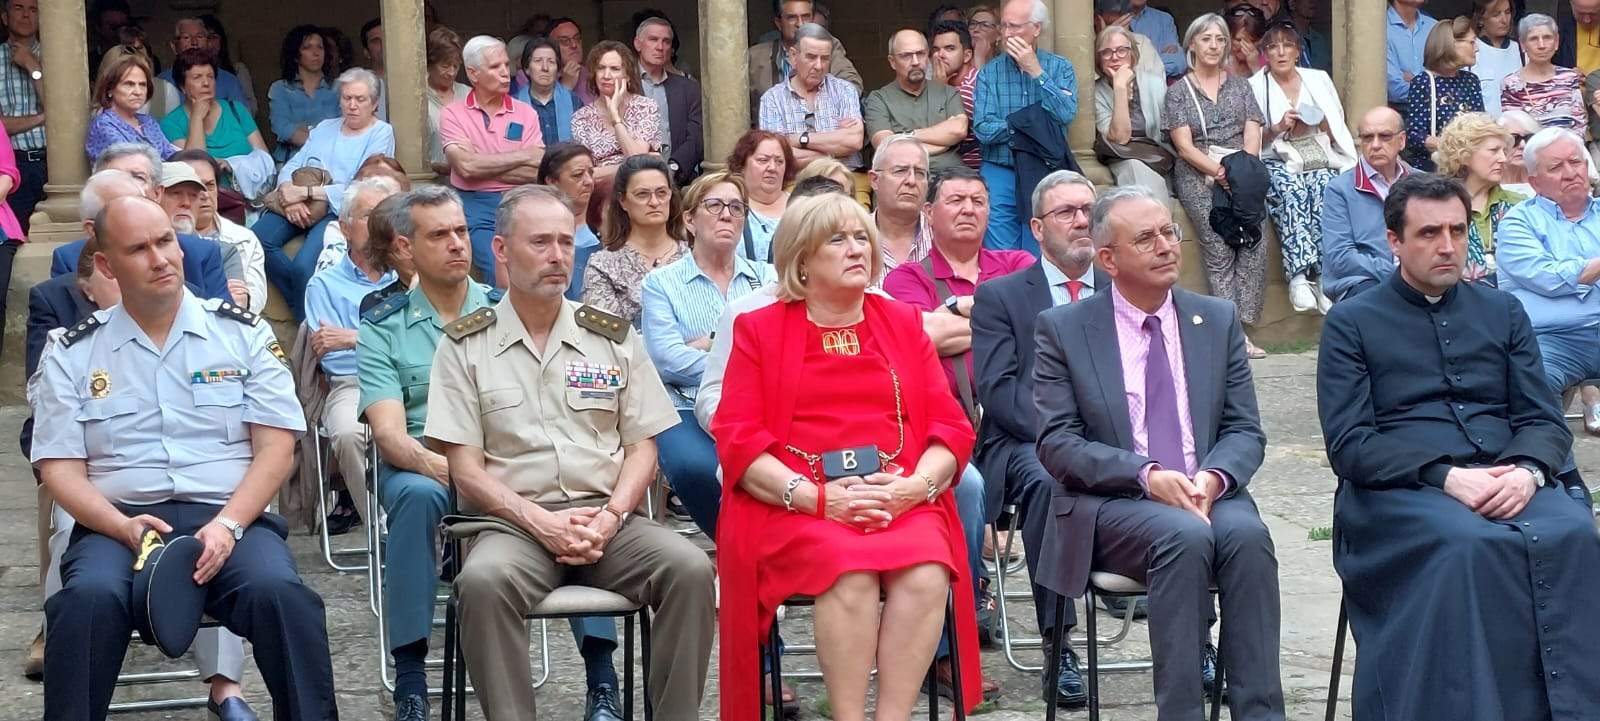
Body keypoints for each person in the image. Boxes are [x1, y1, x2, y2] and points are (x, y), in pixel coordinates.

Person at [31, 195, 338, 721]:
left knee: (283, 598)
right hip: (117, 525)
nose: (160, 259)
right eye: (139, 249)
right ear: (106, 264)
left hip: (229, 517)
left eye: (165, 242)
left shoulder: (242, 333)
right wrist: (121, 527)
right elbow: (58, 468)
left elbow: (277, 447)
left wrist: (228, 526)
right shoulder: (73, 351)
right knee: (84, 602)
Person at [1316, 172, 1600, 721]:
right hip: (1400, 493)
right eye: (1428, 233)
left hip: (1507, 477)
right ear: (1394, 241)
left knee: (1573, 532)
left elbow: (1542, 419)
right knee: (1467, 544)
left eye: (1457, 230)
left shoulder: (1503, 311)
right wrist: (1445, 477)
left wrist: (1528, 472)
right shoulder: (1352, 322)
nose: (1447, 246)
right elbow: (1350, 443)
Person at [425, 185, 714, 721]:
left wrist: (611, 516)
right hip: (514, 526)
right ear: (501, 250)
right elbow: (465, 469)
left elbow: (643, 446)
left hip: (610, 523)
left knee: (690, 568)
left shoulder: (611, 338)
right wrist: (541, 523)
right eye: (540, 242)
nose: (558, 255)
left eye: (565, 241)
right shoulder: (464, 345)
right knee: (481, 584)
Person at [357, 186, 629, 721]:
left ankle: (601, 677)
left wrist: (498, 475)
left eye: (462, 231)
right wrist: (465, 473)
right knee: (415, 498)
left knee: (563, 483)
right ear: (406, 248)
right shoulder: (384, 326)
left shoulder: (505, 309)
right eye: (440, 235)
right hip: (425, 465)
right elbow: (391, 436)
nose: (458, 244)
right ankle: (411, 680)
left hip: (509, 458)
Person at [711, 191, 982, 721]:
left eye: (862, 237)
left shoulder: (903, 322)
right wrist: (817, 499)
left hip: (897, 493)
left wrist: (915, 489)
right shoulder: (758, 329)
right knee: (850, 570)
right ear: (801, 258)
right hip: (795, 502)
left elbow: (950, 427)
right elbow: (738, 439)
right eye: (837, 239)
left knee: (927, 571)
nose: (857, 248)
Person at [1033, 184, 1283, 721]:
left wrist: (1214, 478)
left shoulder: (1216, 319)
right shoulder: (1066, 329)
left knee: (1248, 537)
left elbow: (1244, 429)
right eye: (1146, 239)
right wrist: (1145, 475)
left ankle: (1262, 713)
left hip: (1206, 492)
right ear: (1108, 259)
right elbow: (1057, 443)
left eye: (1169, 231)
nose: (1167, 245)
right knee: (1184, 536)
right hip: (1113, 502)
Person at [881, 165, 1032, 678]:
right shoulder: (905, 279)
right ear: (928, 212)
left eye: (978, 200)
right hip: (937, 431)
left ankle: (1061, 641)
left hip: (1012, 430)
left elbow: (1038, 331)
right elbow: (916, 340)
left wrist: (956, 314)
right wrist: (998, 325)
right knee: (962, 486)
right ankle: (952, 637)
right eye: (955, 200)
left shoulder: (1016, 263)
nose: (969, 209)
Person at [969, 170, 1105, 708]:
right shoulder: (1001, 296)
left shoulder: (1124, 287)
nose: (1081, 221)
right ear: (1037, 227)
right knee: (1053, 482)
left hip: (1116, 439)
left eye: (1088, 210)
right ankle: (1059, 643)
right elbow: (998, 390)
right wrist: (1065, 439)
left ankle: (1198, 639)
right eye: (1066, 212)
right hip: (1027, 442)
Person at [641, 171, 776, 537]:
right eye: (714, 205)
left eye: (736, 207)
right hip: (684, 405)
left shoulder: (769, 279)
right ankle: (735, 546)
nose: (726, 214)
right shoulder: (661, 283)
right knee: (697, 468)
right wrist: (750, 360)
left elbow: (785, 346)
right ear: (689, 220)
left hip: (762, 405)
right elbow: (668, 360)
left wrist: (711, 343)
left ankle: (765, 549)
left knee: (778, 464)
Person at [251, 68, 394, 319]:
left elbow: (362, 184)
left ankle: (306, 321)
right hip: (298, 201)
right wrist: (288, 193)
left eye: (360, 99)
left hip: (337, 209)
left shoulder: (381, 132)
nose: (352, 105)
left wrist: (306, 192)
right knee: (256, 240)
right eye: (347, 98)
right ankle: (304, 311)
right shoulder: (326, 127)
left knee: (304, 266)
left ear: (374, 104)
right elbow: (294, 165)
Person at [302, 176, 401, 532]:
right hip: (353, 382)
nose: (378, 224)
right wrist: (388, 341)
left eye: (385, 215)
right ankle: (383, 525)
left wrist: (354, 337)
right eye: (369, 215)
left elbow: (428, 340)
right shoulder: (324, 284)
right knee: (346, 433)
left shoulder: (412, 275)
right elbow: (331, 355)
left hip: (411, 378)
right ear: (344, 227)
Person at [1166, 13, 1268, 357]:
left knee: (1253, 239)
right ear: (1192, 44)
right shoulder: (1178, 92)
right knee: (1218, 244)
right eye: (1206, 38)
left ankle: (1243, 323)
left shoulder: (1241, 86)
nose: (1214, 45)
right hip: (1199, 171)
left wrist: (1241, 171)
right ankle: (1232, 332)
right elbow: (1184, 146)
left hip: (1241, 170)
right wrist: (1221, 174)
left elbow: (1253, 131)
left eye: (1220, 39)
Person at [1495, 128, 1600, 440]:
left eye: (1576, 162)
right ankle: (1554, 468)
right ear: (1534, 182)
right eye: (1556, 167)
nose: (1570, 173)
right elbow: (1548, 276)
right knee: (1533, 379)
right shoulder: (1518, 222)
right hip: (1554, 339)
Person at [1251, 22, 1355, 313]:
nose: (1281, 52)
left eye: (1288, 45)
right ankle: (1298, 277)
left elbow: (1337, 128)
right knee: (1291, 188)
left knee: (1325, 187)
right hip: (1276, 159)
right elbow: (1251, 140)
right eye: (1273, 47)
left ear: (1298, 51)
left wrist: (1318, 122)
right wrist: (1278, 127)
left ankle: (1323, 278)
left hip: (1317, 155)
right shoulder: (1255, 86)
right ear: (1265, 54)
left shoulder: (1318, 79)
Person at [53, 148, 230, 302]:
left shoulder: (201, 254)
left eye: (137, 177)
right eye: (114, 176)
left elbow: (223, 324)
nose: (159, 261)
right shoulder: (69, 260)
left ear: (157, 193)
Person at [974, 0, 1079, 254]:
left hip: (1044, 168)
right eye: (1004, 26)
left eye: (1015, 26)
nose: (1007, 33)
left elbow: (1065, 114)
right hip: (1000, 168)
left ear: (1036, 28)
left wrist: (1036, 71)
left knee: (1041, 252)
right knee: (1001, 256)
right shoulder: (989, 73)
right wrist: (1032, 127)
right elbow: (983, 129)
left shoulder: (1060, 68)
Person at [439, 35, 546, 282]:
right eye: (495, 67)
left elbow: (537, 169)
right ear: (473, 73)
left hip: (522, 200)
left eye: (506, 65)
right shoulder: (452, 114)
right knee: (499, 272)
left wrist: (480, 161)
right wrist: (524, 154)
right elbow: (466, 167)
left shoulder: (526, 112)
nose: (505, 73)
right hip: (475, 204)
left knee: (538, 266)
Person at [1321, 107, 1413, 302]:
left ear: (1402, 140)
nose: (1375, 145)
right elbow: (1340, 257)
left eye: (1385, 136)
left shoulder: (1422, 184)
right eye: (1367, 138)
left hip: (1419, 279)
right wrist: (1399, 274)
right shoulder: (1340, 189)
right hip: (1362, 282)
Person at [582, 155, 687, 325]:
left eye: (661, 193)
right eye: (642, 194)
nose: (654, 202)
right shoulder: (603, 265)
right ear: (623, 201)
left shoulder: (695, 256)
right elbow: (602, 333)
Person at [159, 49, 273, 199]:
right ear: (182, 86)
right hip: (205, 200)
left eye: (210, 77)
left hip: (250, 199)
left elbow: (264, 159)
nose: (206, 83)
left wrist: (233, 165)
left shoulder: (236, 110)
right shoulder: (170, 123)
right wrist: (197, 118)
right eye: (197, 77)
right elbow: (194, 168)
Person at [758, 23, 866, 176]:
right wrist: (835, 151)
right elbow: (777, 154)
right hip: (796, 182)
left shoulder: (844, 90)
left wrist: (800, 139)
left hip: (846, 178)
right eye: (811, 57)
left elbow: (854, 141)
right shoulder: (772, 99)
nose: (819, 66)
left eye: (825, 58)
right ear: (793, 56)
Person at [1434, 112, 1525, 283]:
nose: (1503, 159)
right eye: (1494, 151)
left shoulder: (1520, 205)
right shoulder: (1438, 207)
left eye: (1504, 151)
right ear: (1464, 155)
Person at [173, 149, 267, 314]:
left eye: (209, 185)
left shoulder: (244, 238)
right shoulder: (159, 238)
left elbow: (254, 299)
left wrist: (242, 300)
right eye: (193, 187)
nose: (204, 195)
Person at [865, 29, 969, 173]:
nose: (915, 62)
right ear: (892, 62)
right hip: (904, 176)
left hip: (950, 175)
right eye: (906, 56)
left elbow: (958, 130)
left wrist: (907, 136)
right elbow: (887, 148)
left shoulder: (948, 92)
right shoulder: (878, 99)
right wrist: (942, 142)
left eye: (920, 54)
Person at [1094, 24, 1175, 200]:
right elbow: (1120, 138)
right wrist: (1120, 88)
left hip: (1157, 156)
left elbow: (1171, 132)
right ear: (1099, 59)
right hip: (1124, 157)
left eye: (1122, 50)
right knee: (1134, 170)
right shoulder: (1096, 92)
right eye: (1106, 52)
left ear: (1132, 54)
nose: (1115, 57)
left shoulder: (1154, 83)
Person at [748, 0, 863, 119]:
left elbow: (852, 84)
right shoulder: (755, 57)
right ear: (779, 23)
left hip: (824, 126)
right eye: (792, 18)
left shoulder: (827, 46)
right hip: (771, 127)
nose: (800, 23)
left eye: (806, 17)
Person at [571, 42, 664, 180]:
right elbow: (585, 174)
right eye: (601, 68)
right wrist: (632, 165)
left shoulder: (645, 107)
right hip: (600, 189)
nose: (606, 75)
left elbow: (635, 157)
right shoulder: (581, 118)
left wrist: (615, 117)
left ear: (628, 75)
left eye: (614, 69)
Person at [1404, 17, 1485, 171]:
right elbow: (1415, 136)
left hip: (1468, 168)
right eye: (1472, 42)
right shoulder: (1423, 82)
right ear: (1451, 44)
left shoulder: (1471, 81)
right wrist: (1451, 146)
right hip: (1434, 170)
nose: (1476, 48)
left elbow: (1481, 126)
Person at [634, 17, 703, 185]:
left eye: (666, 41)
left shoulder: (688, 88)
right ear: (637, 44)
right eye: (653, 39)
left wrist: (673, 168)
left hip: (678, 179)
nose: (660, 47)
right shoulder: (623, 83)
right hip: (633, 177)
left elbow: (697, 135)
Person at [0, 0, 46, 234]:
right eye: (18, 8)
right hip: (12, 168)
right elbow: (0, 127)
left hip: (55, 163)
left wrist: (32, 66)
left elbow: (63, 109)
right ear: (4, 17)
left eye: (33, 9)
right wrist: (43, 118)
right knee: (16, 237)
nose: (26, 15)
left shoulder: (57, 57)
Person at [1501, 14, 1589, 136]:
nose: (1541, 45)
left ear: (1556, 42)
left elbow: (1580, 123)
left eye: (1547, 38)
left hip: (1570, 146)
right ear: (1522, 44)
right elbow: (1513, 131)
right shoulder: (1511, 84)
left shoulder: (1569, 77)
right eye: (1533, 39)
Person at [86, 51, 178, 163]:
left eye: (143, 85)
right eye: (129, 84)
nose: (138, 92)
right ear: (110, 89)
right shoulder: (104, 125)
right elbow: (134, 163)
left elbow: (170, 154)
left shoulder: (148, 122)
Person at [154, 17, 253, 116]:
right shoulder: (161, 83)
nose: (194, 43)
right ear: (174, 46)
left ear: (207, 43)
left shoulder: (228, 80)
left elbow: (243, 118)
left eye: (200, 36)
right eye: (186, 37)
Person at [268, 25, 339, 163]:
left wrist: (303, 131)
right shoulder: (280, 88)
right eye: (307, 47)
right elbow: (282, 128)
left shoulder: (339, 88)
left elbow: (345, 127)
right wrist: (320, 142)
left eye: (320, 47)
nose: (316, 53)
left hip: (332, 160)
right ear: (295, 55)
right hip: (290, 160)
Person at [538, 143, 600, 299]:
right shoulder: (533, 230)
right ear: (552, 182)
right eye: (578, 175)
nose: (589, 181)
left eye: (590, 173)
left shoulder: (606, 224)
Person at [868, 135, 934, 275]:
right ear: (874, 180)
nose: (911, 181)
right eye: (900, 171)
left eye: (920, 173)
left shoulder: (943, 236)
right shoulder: (853, 237)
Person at [727, 130, 794, 263]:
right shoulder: (727, 208)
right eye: (763, 160)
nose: (772, 168)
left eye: (779, 161)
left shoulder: (801, 207)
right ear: (742, 165)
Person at [929, 21, 982, 170]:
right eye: (936, 49)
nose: (940, 55)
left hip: (972, 171)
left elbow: (937, 130)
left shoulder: (975, 86)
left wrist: (937, 89)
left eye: (949, 49)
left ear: (967, 55)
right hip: (946, 169)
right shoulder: (939, 84)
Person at [424, 26, 470, 179]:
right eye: (445, 66)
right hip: (431, 182)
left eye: (456, 66)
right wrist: (433, 165)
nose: (451, 72)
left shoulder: (468, 95)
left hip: (467, 180)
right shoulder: (417, 98)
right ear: (429, 64)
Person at [514, 36, 576, 149]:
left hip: (567, 159)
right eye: (538, 61)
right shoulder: (514, 105)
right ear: (527, 68)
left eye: (551, 62)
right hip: (529, 160)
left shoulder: (573, 101)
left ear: (558, 70)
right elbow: (511, 144)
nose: (545, 68)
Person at [1473, 0, 1523, 116]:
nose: (1504, 20)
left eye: (1507, 12)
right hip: (1482, 125)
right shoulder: (1472, 48)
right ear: (1480, 19)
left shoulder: (1519, 49)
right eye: (1496, 15)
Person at [199, 15, 257, 115]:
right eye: (204, 37)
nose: (209, 43)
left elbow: (251, 108)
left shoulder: (237, 70)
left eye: (213, 37)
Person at [1388, 0, 1439, 106]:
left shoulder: (1434, 27)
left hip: (1437, 109)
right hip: (1398, 111)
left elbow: (1450, 79)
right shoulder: (1381, 28)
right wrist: (1432, 84)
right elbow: (1394, 90)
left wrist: (1414, 80)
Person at [1119, 0, 1186, 78]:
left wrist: (1136, 66)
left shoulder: (1165, 19)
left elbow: (1178, 62)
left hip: (1159, 83)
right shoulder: (1113, 20)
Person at [548, 17, 599, 107]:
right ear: (549, 47)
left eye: (577, 38)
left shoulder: (594, 75)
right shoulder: (539, 78)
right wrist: (565, 87)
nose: (574, 45)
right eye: (564, 41)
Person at [1498, 109, 1541, 193]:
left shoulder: (1547, 185)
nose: (1523, 145)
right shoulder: (1486, 187)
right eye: (1514, 139)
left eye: (1529, 138)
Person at [1557, 0, 1600, 75]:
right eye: (1581, 14)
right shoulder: (1557, 28)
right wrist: (1565, 75)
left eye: (1593, 14)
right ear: (1571, 6)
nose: (1587, 20)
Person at [1224, 4, 1267, 78]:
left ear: (1260, 40)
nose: (1243, 46)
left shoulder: (1268, 61)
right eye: (1238, 40)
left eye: (1252, 41)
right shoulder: (1218, 61)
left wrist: (1256, 68)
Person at [359, 18, 388, 121]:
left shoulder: (414, 82)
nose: (383, 44)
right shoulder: (358, 86)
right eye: (376, 41)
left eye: (387, 38)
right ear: (366, 52)